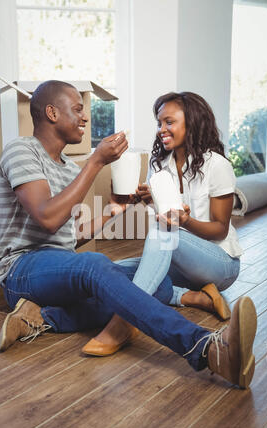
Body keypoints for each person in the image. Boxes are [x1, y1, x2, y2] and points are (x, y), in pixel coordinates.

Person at [0, 81, 257, 389]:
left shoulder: (66, 168)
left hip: (57, 268)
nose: (85, 117)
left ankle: (42, 318)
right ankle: (206, 348)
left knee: (155, 284)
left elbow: (67, 236)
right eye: (78, 109)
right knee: (98, 267)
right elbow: (48, 218)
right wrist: (95, 162)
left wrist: (113, 210)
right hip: (20, 270)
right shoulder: (21, 150)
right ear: (52, 113)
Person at [84, 91, 245, 350]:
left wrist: (184, 222)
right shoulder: (159, 165)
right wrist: (149, 200)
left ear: (192, 122)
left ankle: (124, 323)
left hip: (220, 264)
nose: (162, 129)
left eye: (169, 122)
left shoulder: (217, 166)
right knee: (113, 270)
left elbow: (219, 229)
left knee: (162, 236)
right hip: (180, 262)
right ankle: (194, 297)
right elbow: (165, 219)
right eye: (159, 123)